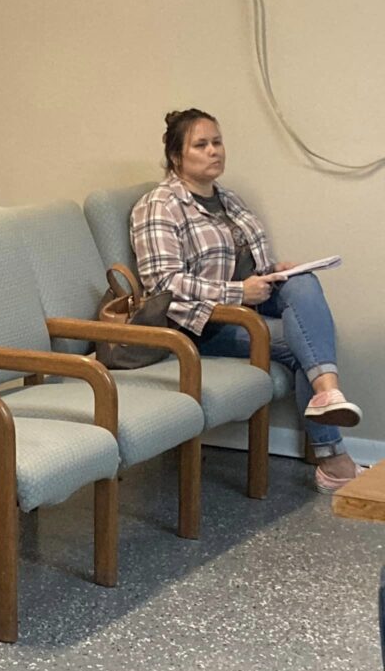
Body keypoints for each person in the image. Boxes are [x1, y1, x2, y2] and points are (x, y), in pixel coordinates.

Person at [131, 108, 364, 493]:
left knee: (303, 283)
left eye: (217, 142)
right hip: (202, 323)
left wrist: (274, 270)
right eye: (201, 145)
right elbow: (164, 284)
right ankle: (332, 458)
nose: (214, 152)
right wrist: (239, 292)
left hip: (246, 307)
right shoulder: (159, 205)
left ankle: (326, 391)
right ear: (176, 157)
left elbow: (241, 265)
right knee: (300, 345)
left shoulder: (228, 200)